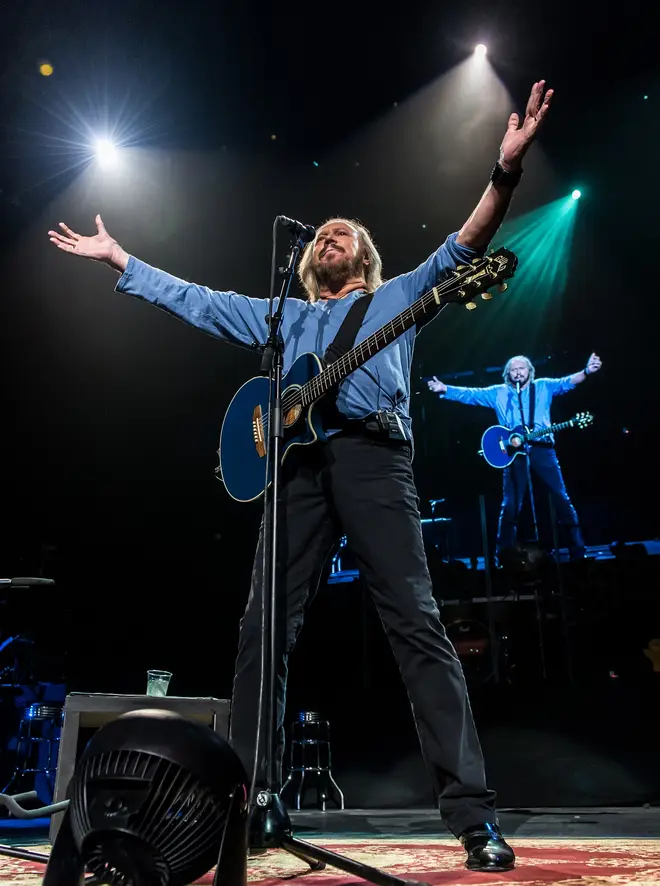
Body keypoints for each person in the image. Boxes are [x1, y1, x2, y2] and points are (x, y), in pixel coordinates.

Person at [48, 80, 553, 872]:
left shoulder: (398, 295)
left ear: (364, 256)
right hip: (298, 474)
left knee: (416, 626)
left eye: (344, 233)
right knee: (261, 634)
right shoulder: (285, 318)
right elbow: (202, 302)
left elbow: (467, 245)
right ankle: (253, 799)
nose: (330, 237)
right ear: (310, 263)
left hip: (375, 458)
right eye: (322, 234)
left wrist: (504, 172)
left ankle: (472, 815)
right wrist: (124, 261)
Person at [428, 352, 602, 561]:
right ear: (507, 374)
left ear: (529, 371)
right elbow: (472, 394)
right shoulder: (499, 392)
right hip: (514, 454)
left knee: (561, 498)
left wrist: (586, 372)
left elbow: (567, 382)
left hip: (542, 449)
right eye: (513, 369)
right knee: (510, 505)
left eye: (522, 368)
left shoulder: (544, 386)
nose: (518, 372)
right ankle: (504, 555)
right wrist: (446, 389)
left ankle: (578, 551)